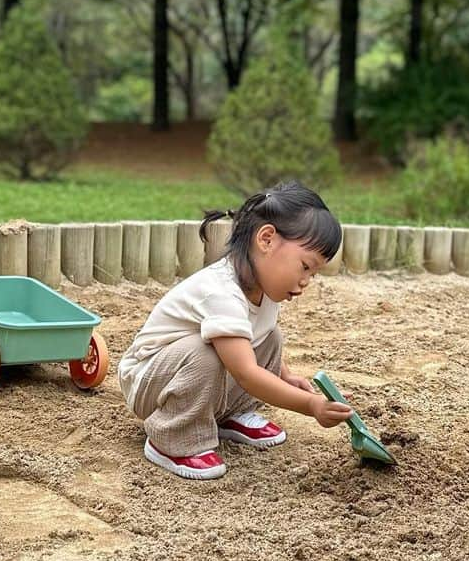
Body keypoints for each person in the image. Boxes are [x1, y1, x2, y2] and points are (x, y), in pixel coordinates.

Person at [117, 180, 353, 480]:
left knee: (270, 337)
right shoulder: (221, 292)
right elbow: (246, 374)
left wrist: (286, 376)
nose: (307, 280)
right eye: (305, 266)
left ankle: (229, 414)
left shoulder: (264, 287)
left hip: (186, 375)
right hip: (148, 381)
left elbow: (256, 335)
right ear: (266, 239)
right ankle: (172, 437)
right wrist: (311, 405)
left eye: (314, 273)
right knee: (206, 353)